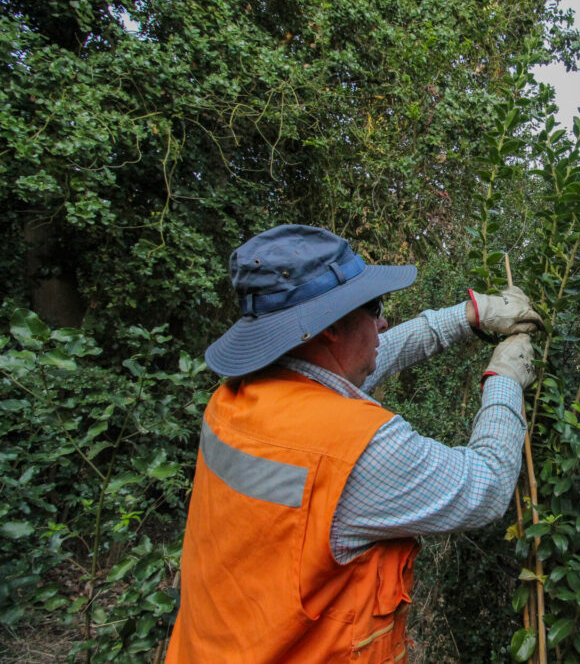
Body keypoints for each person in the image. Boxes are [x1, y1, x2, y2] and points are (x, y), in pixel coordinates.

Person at [166, 224, 541, 663]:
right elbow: (487, 485)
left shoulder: (232, 403)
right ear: (328, 328)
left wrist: (469, 315)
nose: (383, 322)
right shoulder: (358, 451)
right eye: (374, 308)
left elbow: (369, 357)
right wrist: (505, 380)